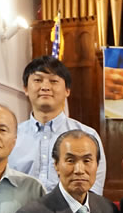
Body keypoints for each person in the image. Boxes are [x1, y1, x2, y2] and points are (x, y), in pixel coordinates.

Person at [9, 55, 108, 194]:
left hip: (69, 208)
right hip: (21, 207)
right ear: (25, 88)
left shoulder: (87, 136)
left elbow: (93, 190)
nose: (45, 87)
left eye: (53, 81)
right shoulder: (11, 136)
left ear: (67, 90)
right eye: (38, 80)